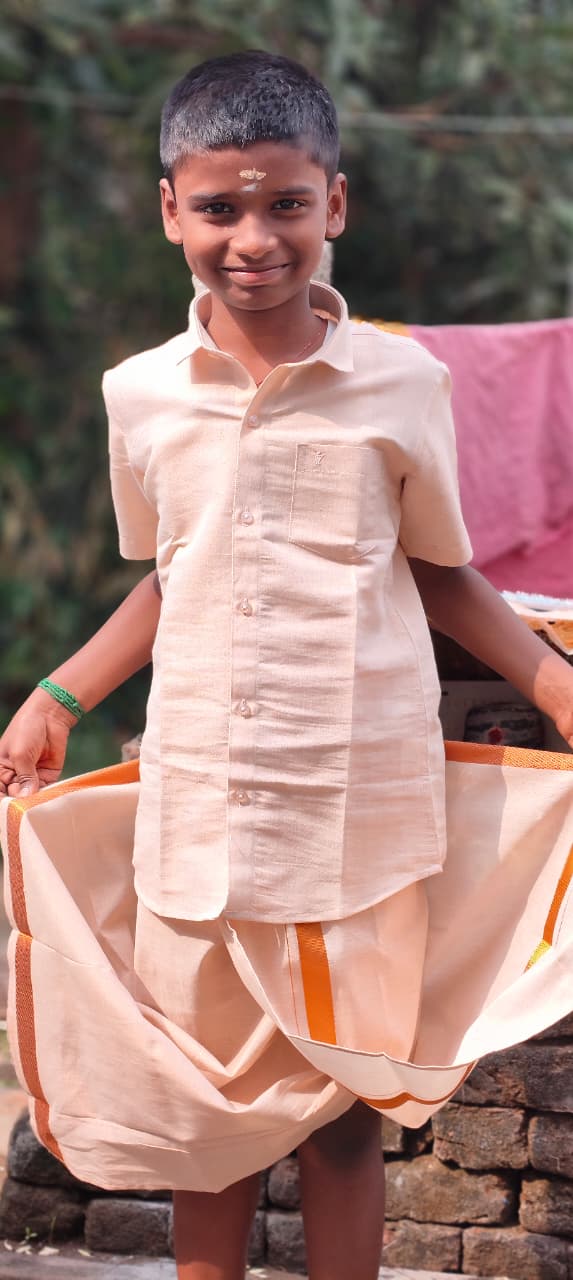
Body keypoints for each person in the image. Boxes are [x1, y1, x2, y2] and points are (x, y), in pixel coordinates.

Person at [2, 49, 573, 1280]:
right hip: (199, 806)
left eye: (286, 205)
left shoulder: (404, 381)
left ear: (336, 204)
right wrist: (60, 693)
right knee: (206, 1120)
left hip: (359, 809)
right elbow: (176, 572)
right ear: (171, 210)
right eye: (219, 207)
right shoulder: (140, 395)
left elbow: (440, 571)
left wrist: (555, 684)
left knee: (345, 1119)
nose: (253, 238)